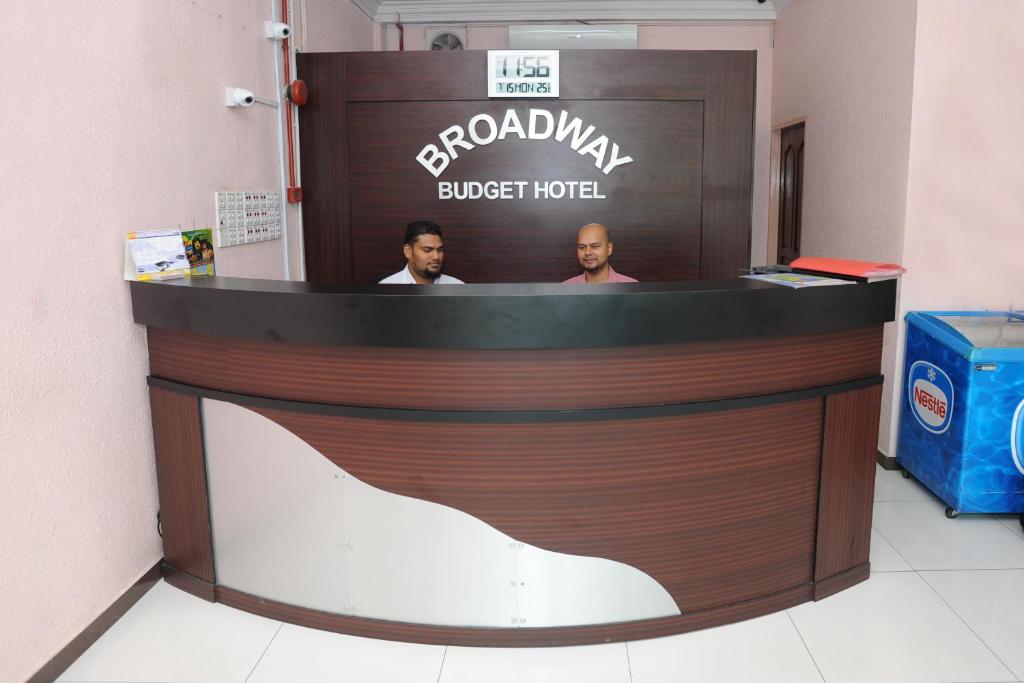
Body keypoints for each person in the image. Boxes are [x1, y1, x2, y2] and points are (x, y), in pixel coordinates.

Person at [379, 220, 464, 284]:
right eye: (427, 250)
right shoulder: (386, 288)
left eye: (440, 250)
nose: (436, 257)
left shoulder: (457, 287)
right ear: (408, 251)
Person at [562, 223, 637, 284]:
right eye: (582, 247)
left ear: (609, 248)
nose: (587, 252)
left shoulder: (631, 287)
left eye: (594, 246)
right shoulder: (565, 289)